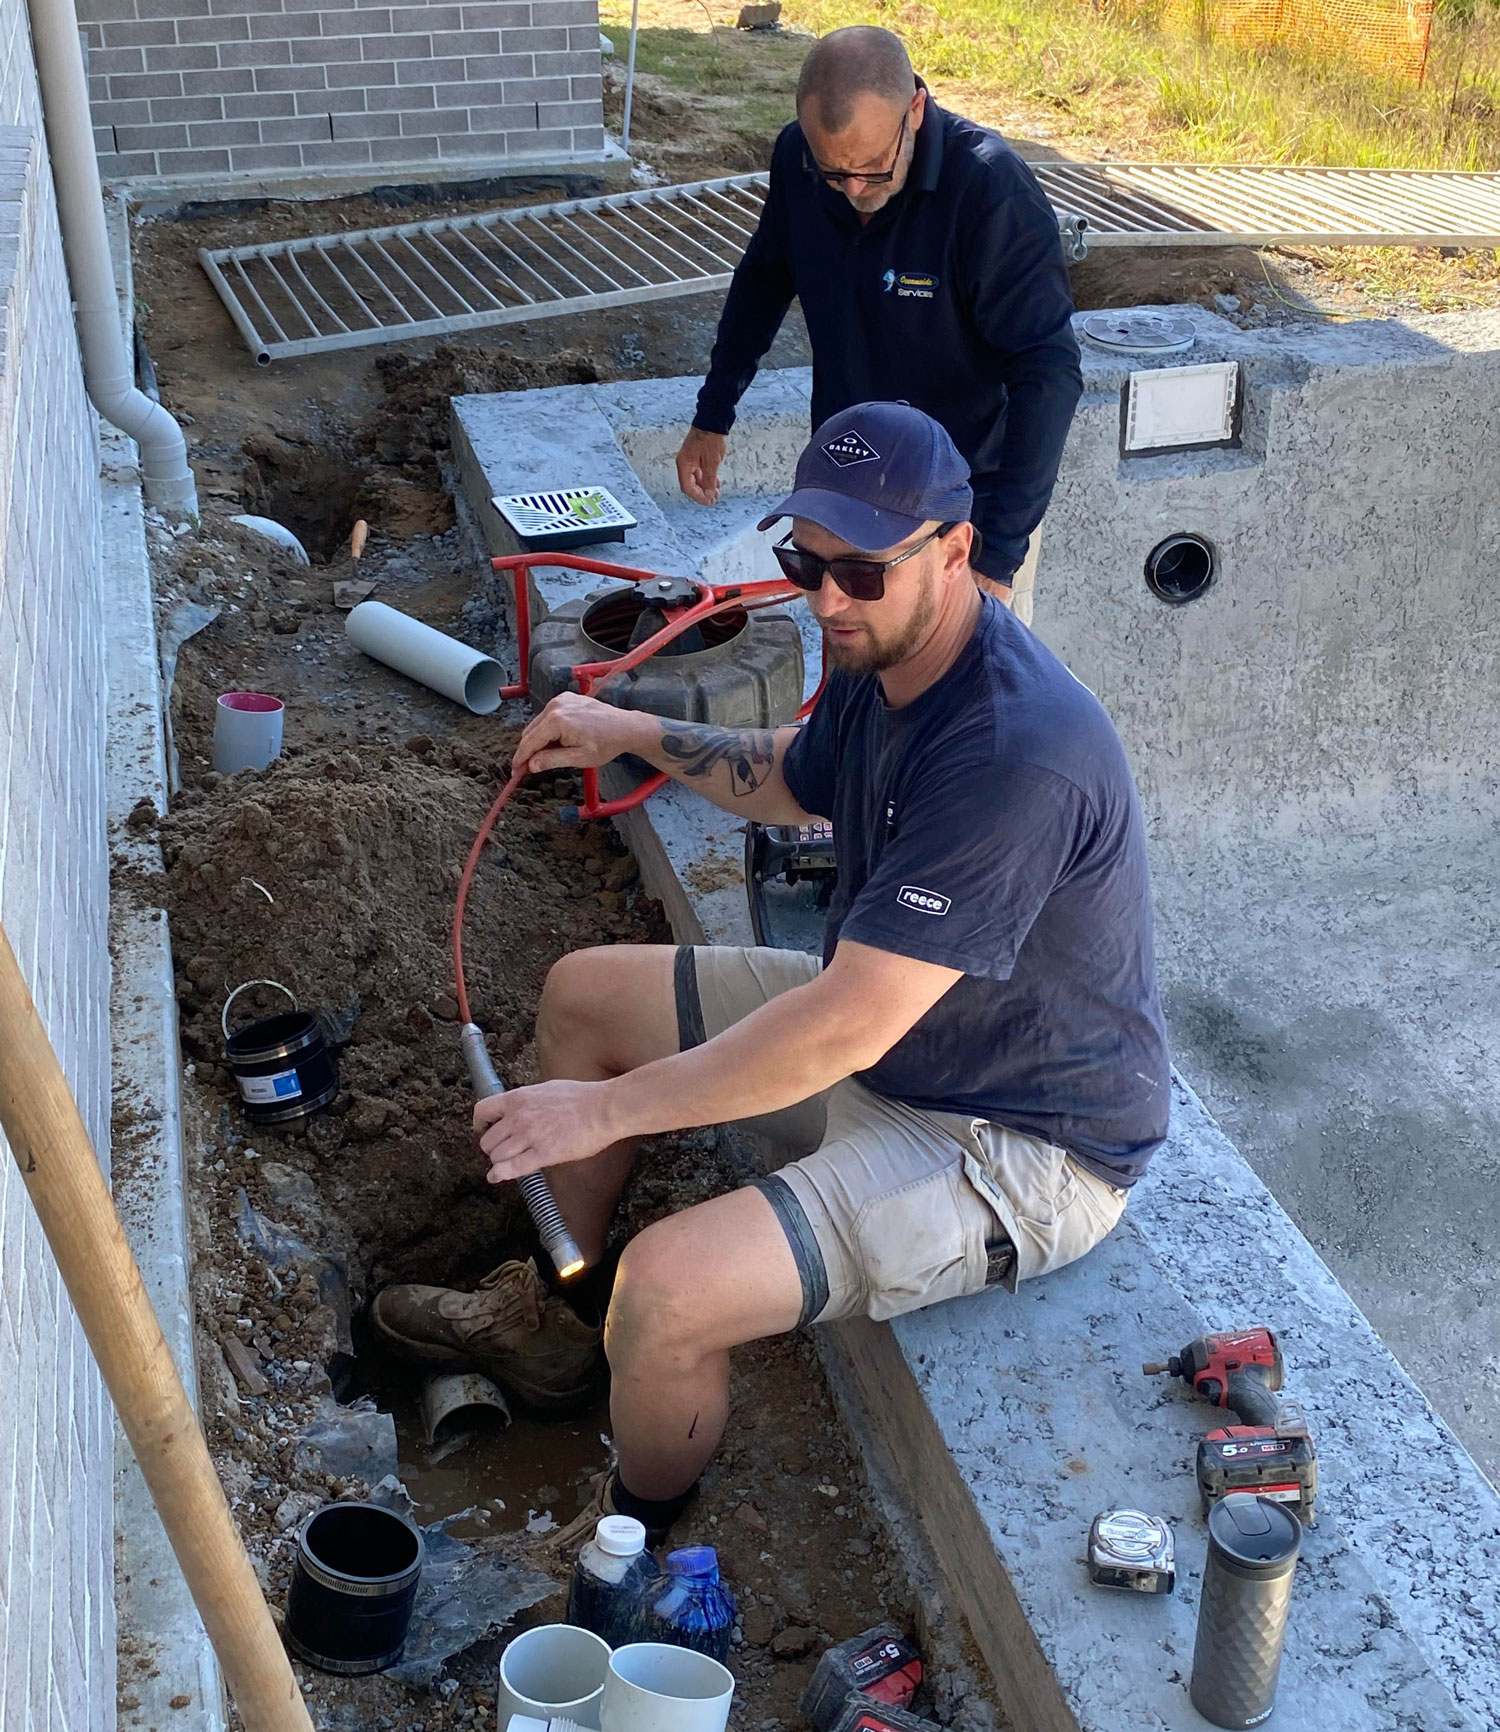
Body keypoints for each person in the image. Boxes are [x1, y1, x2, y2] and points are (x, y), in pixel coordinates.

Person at [372, 402, 1168, 1544]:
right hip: (902, 1030)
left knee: (671, 1290)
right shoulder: (878, 648)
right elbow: (799, 777)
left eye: (859, 571)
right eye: (805, 558)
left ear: (955, 552)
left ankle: (631, 1539)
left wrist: (598, 1110)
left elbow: (842, 1024)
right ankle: (557, 1319)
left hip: (1011, 1136)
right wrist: (630, 725)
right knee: (584, 997)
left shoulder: (1016, 753)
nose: (825, 597)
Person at [674, 25, 1083, 623]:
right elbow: (761, 283)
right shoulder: (797, 158)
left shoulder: (990, 191)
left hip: (959, 512)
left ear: (914, 110)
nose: (854, 189)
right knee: (854, 686)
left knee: (960, 708)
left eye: (872, 167)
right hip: (845, 491)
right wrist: (713, 414)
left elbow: (1048, 374)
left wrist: (994, 557)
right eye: (834, 174)